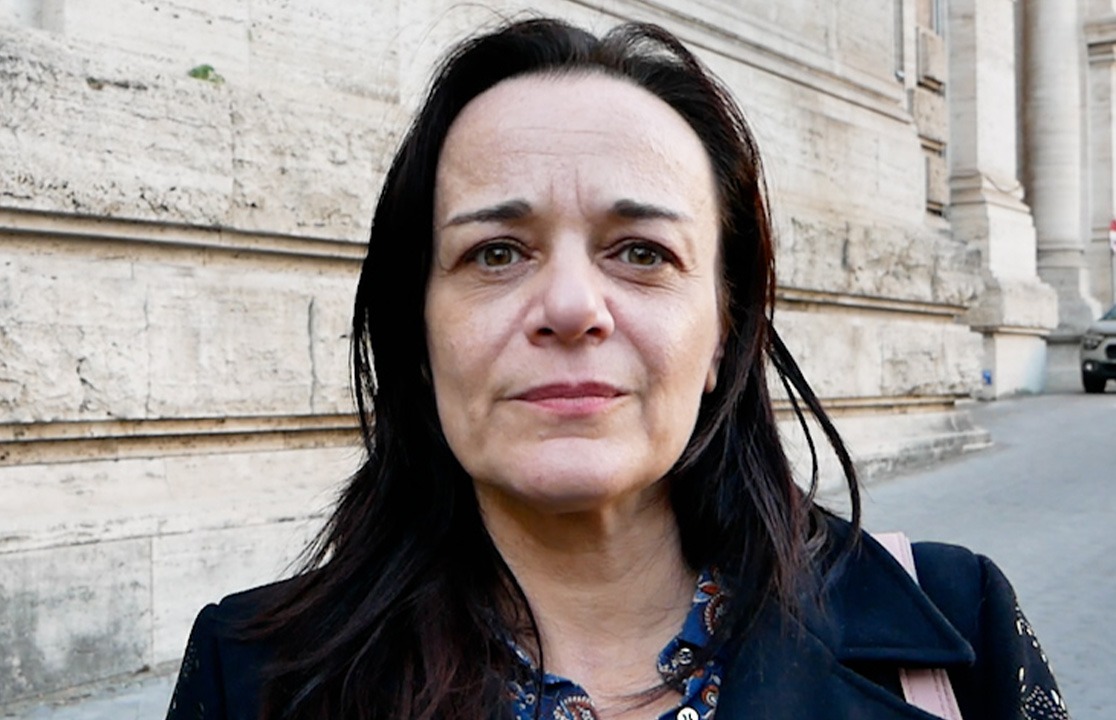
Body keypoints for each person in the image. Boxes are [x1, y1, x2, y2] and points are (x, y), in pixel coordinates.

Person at [166, 17, 1069, 720]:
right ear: (419, 329)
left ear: (724, 329)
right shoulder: (252, 677)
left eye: (642, 253)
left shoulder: (958, 628)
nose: (570, 307)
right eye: (495, 253)